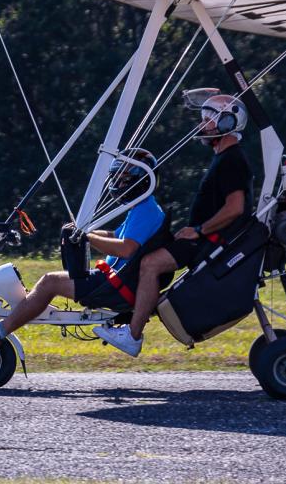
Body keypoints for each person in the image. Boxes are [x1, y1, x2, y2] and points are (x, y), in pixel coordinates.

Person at [93, 92, 253, 357]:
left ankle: (132, 334)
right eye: (203, 119)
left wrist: (199, 230)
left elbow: (235, 208)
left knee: (149, 263)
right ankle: (124, 313)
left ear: (228, 123)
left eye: (209, 120)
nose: (203, 125)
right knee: (146, 252)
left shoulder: (232, 159)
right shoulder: (224, 158)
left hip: (207, 241)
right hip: (201, 238)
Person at [0, 148, 165, 347]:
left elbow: (126, 249)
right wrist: (86, 233)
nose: (118, 184)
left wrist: (87, 237)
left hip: (114, 287)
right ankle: (23, 310)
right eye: (117, 178)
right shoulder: (142, 208)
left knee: (49, 283)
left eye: (123, 179)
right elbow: (115, 236)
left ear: (140, 181)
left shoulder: (145, 210)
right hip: (113, 280)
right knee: (47, 284)